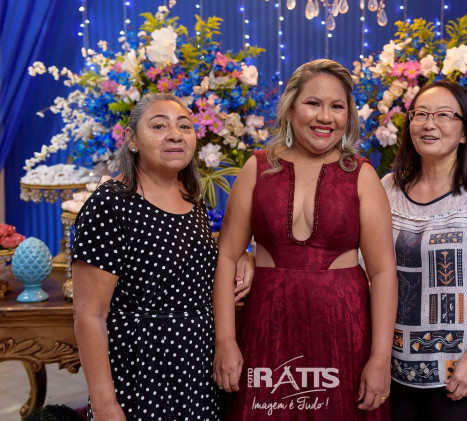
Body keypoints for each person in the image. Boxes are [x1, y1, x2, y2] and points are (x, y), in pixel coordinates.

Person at [212, 59, 398, 420]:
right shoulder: (257, 168)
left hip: (343, 330)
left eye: (337, 106)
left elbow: (383, 273)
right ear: (290, 108)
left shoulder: (362, 175)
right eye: (313, 103)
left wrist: (379, 358)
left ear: (348, 116)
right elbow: (227, 257)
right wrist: (226, 340)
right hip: (267, 326)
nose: (325, 117)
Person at [72, 93, 253, 421]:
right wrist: (104, 405)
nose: (174, 135)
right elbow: (89, 316)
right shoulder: (111, 204)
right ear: (132, 140)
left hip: (197, 370)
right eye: (159, 126)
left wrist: (245, 259)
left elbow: (199, 270)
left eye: (184, 126)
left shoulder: (191, 198)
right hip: (141, 372)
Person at [382, 80, 467, 421]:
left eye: (443, 115)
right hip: (390, 363)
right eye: (421, 114)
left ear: (466, 132)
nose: (429, 124)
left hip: (456, 367)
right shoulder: (387, 188)